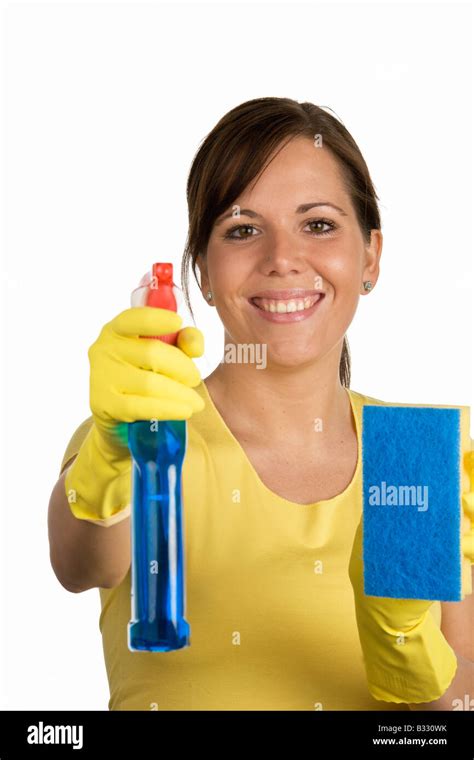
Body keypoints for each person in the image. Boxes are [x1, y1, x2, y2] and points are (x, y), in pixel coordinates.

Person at [48, 97, 473, 711]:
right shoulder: (142, 436)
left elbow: (454, 718)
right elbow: (77, 562)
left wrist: (402, 641)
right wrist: (111, 458)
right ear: (204, 272)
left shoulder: (420, 453)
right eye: (243, 230)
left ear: (370, 256)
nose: (282, 259)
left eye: (319, 224)